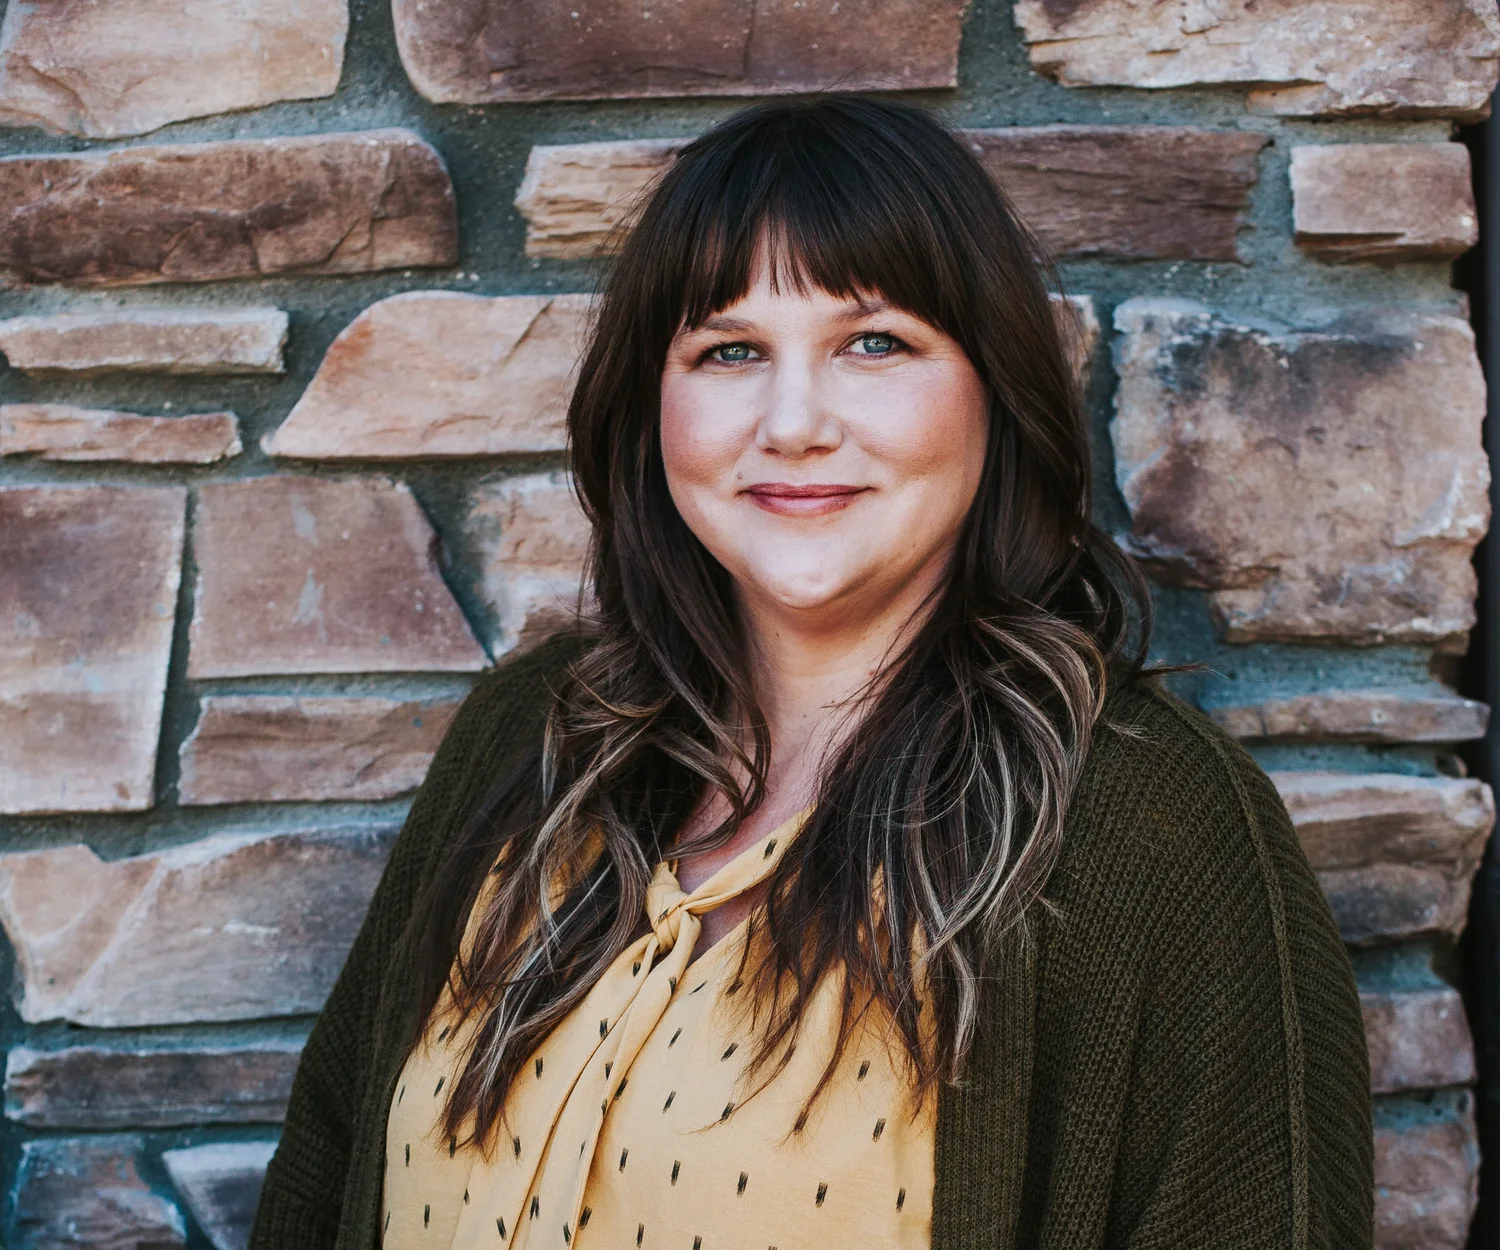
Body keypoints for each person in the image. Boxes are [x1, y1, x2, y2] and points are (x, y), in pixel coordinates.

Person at [250, 97, 1372, 1250]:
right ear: (654, 405)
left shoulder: (1159, 830)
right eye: (729, 349)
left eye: (873, 342)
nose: (792, 423)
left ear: (994, 385)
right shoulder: (527, 738)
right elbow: (326, 1166)